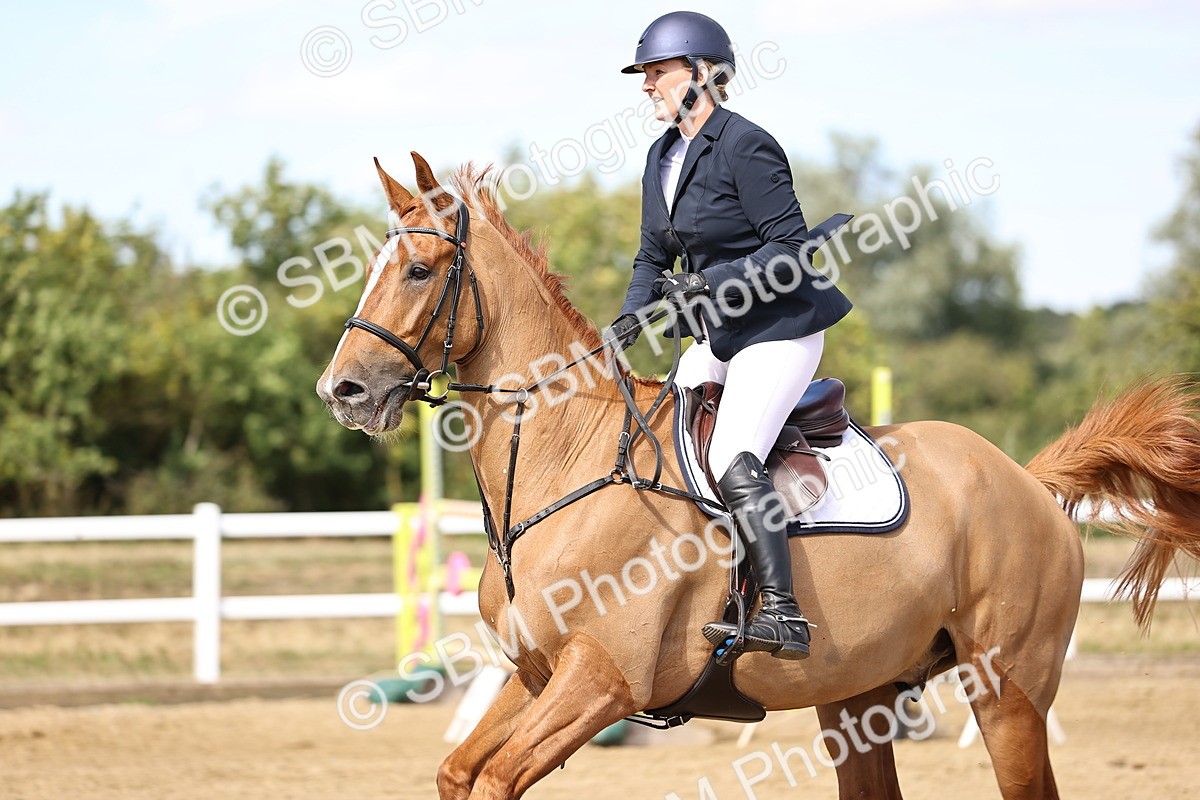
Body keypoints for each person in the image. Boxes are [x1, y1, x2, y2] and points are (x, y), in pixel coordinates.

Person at [608, 11, 853, 661]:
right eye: (646, 75)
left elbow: (791, 249)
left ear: (700, 74)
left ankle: (782, 611)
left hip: (778, 331)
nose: (646, 86)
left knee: (729, 456)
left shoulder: (746, 145)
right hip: (719, 337)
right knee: (653, 442)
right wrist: (625, 323)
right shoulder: (661, 157)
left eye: (656, 72)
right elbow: (649, 258)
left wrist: (711, 281)